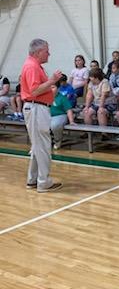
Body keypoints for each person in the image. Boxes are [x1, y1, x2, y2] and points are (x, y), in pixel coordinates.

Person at [20, 38, 63, 192]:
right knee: (43, 146)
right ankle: (43, 182)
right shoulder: (32, 66)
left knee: (38, 146)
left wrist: (49, 89)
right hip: (36, 109)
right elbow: (34, 90)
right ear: (38, 52)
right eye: (46, 51)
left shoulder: (33, 65)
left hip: (37, 108)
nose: (49, 53)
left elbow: (36, 90)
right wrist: (52, 80)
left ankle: (33, 180)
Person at [50, 82, 76, 150]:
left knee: (55, 125)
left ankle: (57, 140)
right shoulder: (46, 97)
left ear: (58, 89)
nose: (50, 89)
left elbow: (69, 110)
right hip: (48, 116)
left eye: (53, 87)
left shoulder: (62, 98)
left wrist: (71, 121)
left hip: (60, 116)